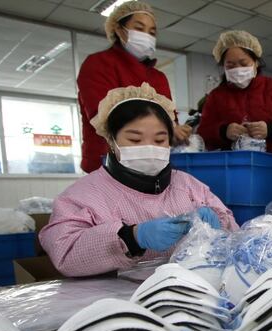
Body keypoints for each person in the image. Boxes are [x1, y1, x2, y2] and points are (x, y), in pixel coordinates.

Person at [41, 84, 237, 278]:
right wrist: (132, 237)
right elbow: (64, 254)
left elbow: (234, 233)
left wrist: (219, 223)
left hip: (192, 293)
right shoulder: (82, 196)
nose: (149, 148)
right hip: (116, 302)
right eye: (135, 140)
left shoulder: (188, 185)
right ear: (111, 140)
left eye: (160, 140)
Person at [77, 1, 192, 173]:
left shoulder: (158, 77)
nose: (147, 35)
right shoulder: (98, 64)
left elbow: (169, 118)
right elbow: (102, 116)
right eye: (139, 28)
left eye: (152, 32)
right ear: (118, 29)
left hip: (152, 168)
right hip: (108, 164)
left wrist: (176, 131)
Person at [196, 31, 272, 155]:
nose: (238, 69)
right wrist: (223, 131)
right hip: (236, 166)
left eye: (243, 63)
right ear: (224, 67)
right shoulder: (216, 96)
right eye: (230, 66)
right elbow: (203, 134)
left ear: (256, 63)